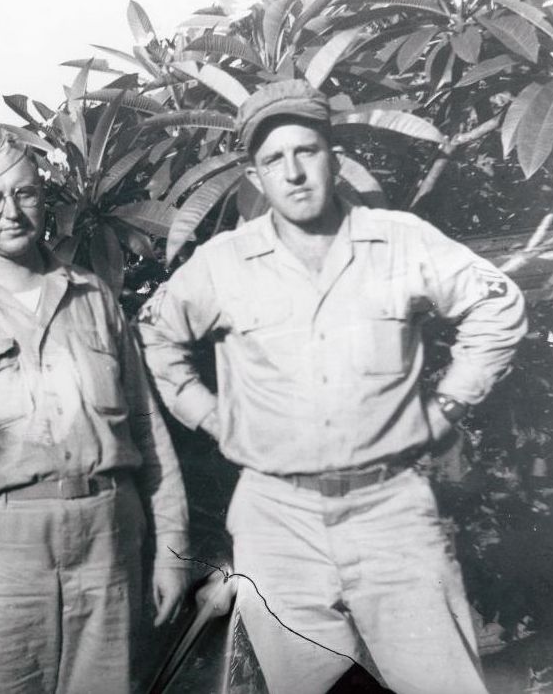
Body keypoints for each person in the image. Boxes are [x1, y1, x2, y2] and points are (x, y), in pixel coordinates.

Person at [137, 80, 527, 694]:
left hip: (390, 510)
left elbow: (498, 304)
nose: (292, 173)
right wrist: (211, 416)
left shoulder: (399, 240)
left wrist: (450, 402)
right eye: (273, 160)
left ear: (333, 158)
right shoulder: (222, 263)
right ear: (256, 176)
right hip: (276, 518)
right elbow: (155, 334)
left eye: (306, 152)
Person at [0, 123, 189, 693]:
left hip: (109, 548)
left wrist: (172, 552)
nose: (12, 212)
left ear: (43, 193)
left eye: (25, 193)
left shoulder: (94, 298)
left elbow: (148, 432)